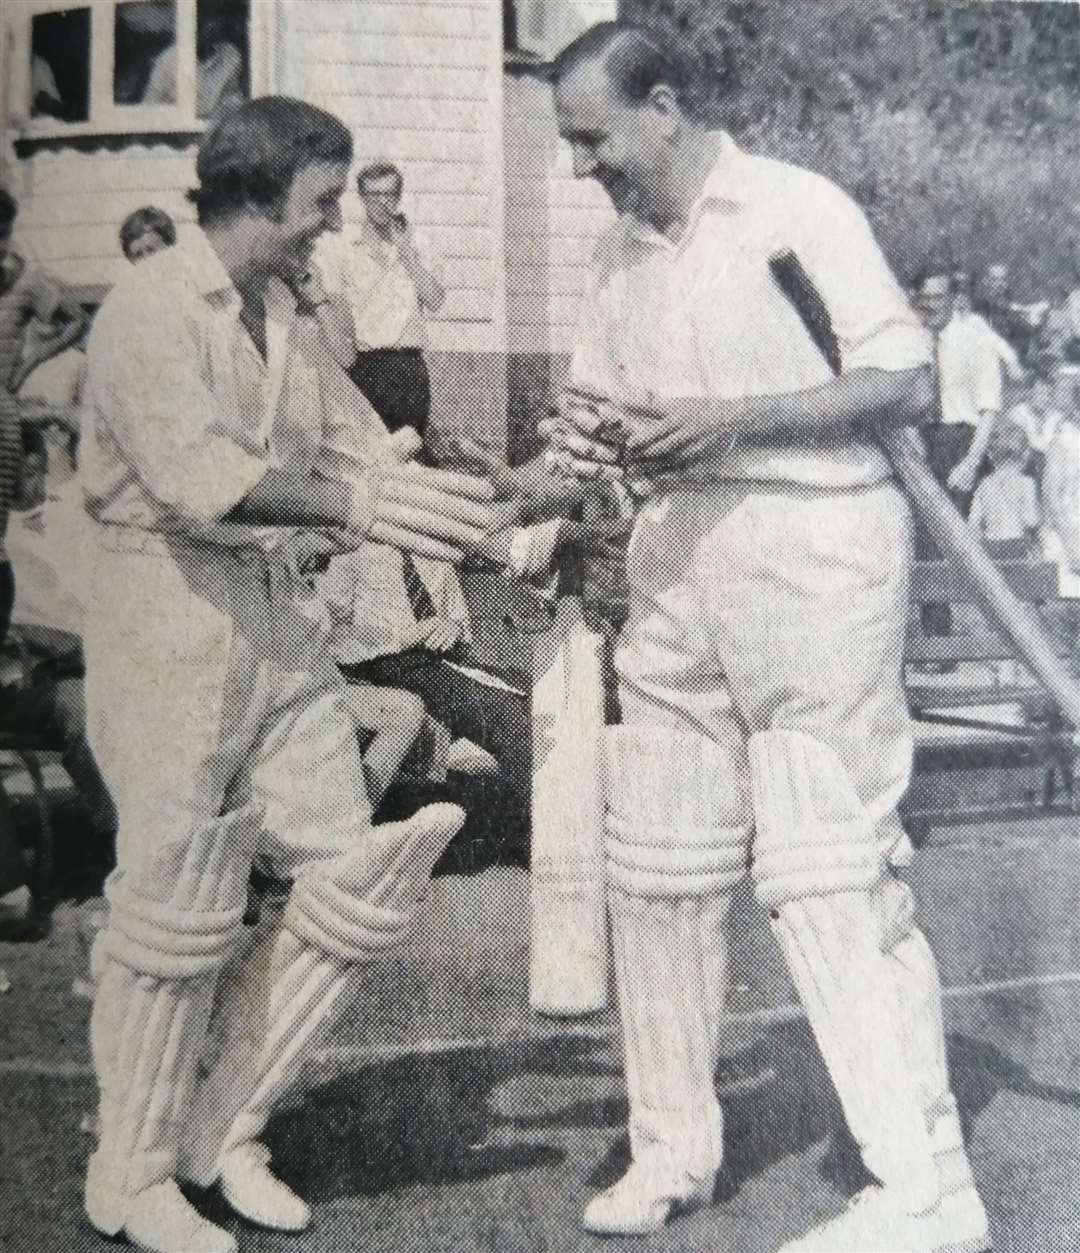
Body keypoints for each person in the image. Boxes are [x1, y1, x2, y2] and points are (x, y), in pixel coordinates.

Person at [544, 22, 987, 1253]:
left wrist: (732, 421)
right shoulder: (617, 254)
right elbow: (595, 417)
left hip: (816, 549)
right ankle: (672, 1146)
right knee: (663, 860)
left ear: (665, 108)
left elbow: (902, 379)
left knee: (835, 861)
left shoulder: (797, 208)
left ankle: (924, 1185)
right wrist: (541, 476)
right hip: (674, 558)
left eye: (594, 139)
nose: (587, 167)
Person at [78, 97, 496, 1253]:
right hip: (164, 607)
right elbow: (196, 478)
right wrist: (357, 505)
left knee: (355, 873)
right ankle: (134, 1170)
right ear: (258, 194)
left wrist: (511, 514)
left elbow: (368, 447)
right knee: (177, 902)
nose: (328, 229)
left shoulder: (277, 311)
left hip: (274, 621)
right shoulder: (147, 311)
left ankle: (228, 1127)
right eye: (319, 204)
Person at [315, 161, 446, 441]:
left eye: (388, 195)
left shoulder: (416, 244)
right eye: (373, 195)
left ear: (398, 198)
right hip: (367, 366)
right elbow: (338, 312)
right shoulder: (345, 249)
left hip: (411, 367)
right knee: (375, 456)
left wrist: (408, 255)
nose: (381, 203)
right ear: (362, 198)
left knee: (412, 452)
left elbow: (435, 300)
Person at [969, 421, 1040, 551]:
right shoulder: (1026, 484)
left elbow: (973, 525)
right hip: (1018, 548)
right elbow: (1031, 521)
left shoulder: (984, 485)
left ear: (990, 455)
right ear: (1025, 455)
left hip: (990, 549)